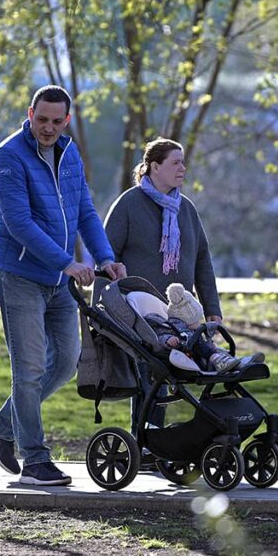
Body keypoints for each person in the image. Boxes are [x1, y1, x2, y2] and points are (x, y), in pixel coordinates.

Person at [0, 85, 125, 487]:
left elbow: (84, 211)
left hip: (60, 279)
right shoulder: (8, 158)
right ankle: (35, 461)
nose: (48, 128)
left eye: (56, 121)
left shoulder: (69, 152)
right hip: (19, 276)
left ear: (66, 120)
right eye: (41, 119)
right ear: (30, 113)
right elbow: (19, 224)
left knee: (66, 361)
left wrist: (105, 257)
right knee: (27, 369)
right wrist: (68, 263)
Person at [103, 138, 223, 444]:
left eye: (183, 162)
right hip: (139, 312)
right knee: (150, 375)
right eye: (175, 162)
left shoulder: (187, 209)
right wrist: (104, 311)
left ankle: (164, 442)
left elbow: (202, 261)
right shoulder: (129, 204)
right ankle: (146, 443)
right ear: (154, 166)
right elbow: (105, 256)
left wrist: (212, 309)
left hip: (179, 312)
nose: (183, 168)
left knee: (175, 374)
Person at [132, 283, 263, 373]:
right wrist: (168, 340)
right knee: (197, 342)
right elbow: (158, 337)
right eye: (196, 320)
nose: (198, 322)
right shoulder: (170, 327)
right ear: (184, 319)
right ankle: (222, 361)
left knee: (213, 347)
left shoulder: (188, 328)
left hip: (201, 354)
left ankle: (237, 363)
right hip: (185, 355)